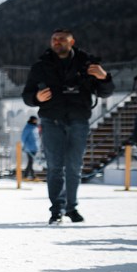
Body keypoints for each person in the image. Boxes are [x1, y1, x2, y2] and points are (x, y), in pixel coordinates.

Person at [22, 27, 114, 225]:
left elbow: (105, 92)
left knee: (74, 166)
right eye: (54, 39)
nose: (57, 42)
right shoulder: (40, 66)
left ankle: (71, 207)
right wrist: (36, 97)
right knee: (55, 166)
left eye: (61, 39)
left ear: (71, 42)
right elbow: (27, 96)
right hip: (51, 120)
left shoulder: (88, 63)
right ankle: (57, 209)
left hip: (78, 120)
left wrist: (104, 77)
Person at [21, 115, 40, 179]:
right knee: (30, 161)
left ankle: (28, 175)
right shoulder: (28, 127)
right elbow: (23, 137)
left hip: (35, 147)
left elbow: (37, 138)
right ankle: (30, 175)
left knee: (31, 162)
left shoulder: (35, 127)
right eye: (35, 120)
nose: (36, 121)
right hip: (29, 148)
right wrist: (24, 145)